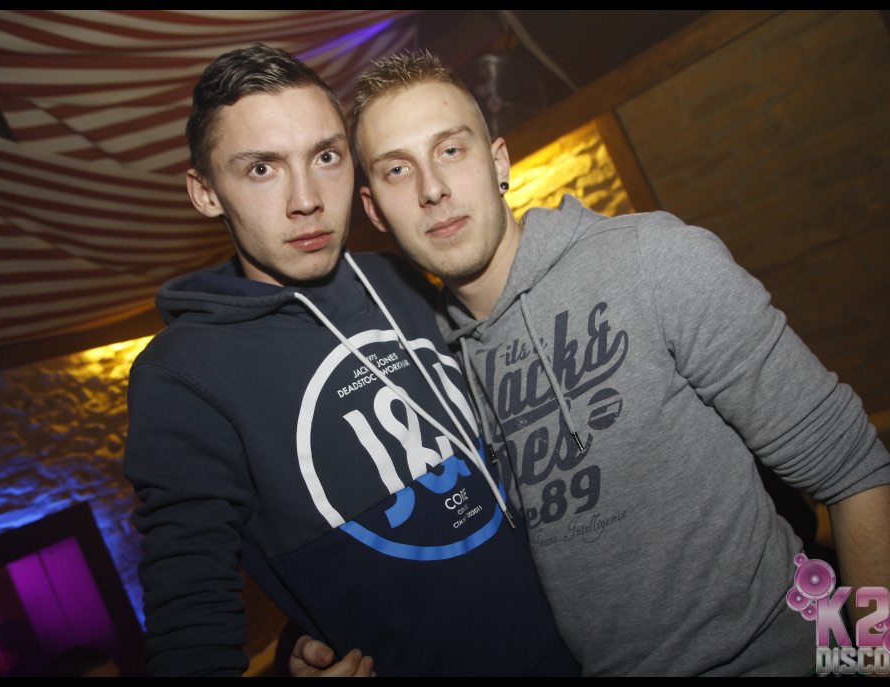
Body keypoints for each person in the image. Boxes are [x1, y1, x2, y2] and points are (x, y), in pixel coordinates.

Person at [297, 50, 890, 676]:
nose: (432, 188)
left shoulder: (651, 260)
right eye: (398, 169)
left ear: (498, 163)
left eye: (451, 150)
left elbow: (859, 478)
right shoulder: (436, 369)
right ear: (374, 210)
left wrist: (879, 664)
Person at [123, 44, 578, 677]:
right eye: (262, 168)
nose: (306, 199)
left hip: (593, 647)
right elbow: (190, 611)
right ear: (206, 192)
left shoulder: (403, 276)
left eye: (326, 157)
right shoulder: (181, 373)